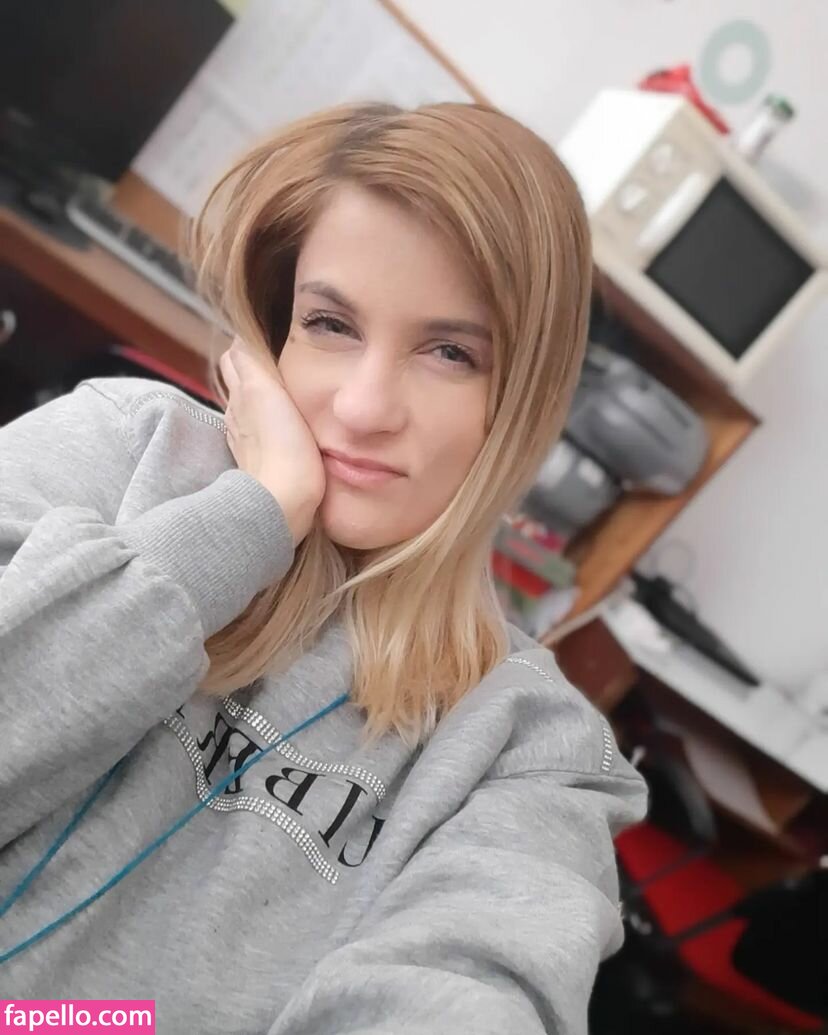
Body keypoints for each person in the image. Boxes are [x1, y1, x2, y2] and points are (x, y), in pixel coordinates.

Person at [0, 102, 647, 1034]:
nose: (364, 405)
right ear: (274, 333)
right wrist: (251, 518)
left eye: (451, 352)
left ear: (523, 400)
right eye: (331, 323)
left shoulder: (528, 751)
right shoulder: (117, 450)